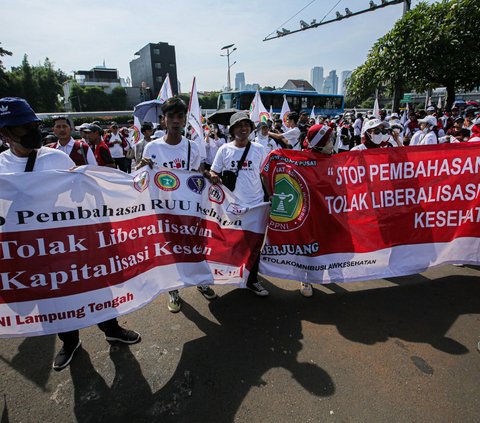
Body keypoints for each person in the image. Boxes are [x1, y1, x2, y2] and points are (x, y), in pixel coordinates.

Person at [0, 97, 141, 372]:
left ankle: (111, 328)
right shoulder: (0, 167)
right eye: (22, 128)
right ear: (4, 134)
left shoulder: (57, 157)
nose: (32, 131)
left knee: (95, 287)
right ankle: (69, 341)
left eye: (34, 124)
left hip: (69, 243)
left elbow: (82, 199)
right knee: (52, 299)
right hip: (31, 251)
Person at [136, 97, 217, 313]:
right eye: (170, 116)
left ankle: (201, 281)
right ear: (163, 120)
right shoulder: (152, 147)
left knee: (194, 245)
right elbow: (141, 179)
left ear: (184, 121)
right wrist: (139, 167)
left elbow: (198, 175)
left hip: (189, 210)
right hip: (163, 210)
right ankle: (173, 289)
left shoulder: (192, 147)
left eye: (179, 116)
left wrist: (209, 175)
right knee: (170, 250)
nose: (175, 120)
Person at [209, 111, 269, 297]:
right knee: (231, 240)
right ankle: (231, 272)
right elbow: (213, 172)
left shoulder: (259, 149)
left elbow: (264, 174)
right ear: (232, 129)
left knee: (255, 244)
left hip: (256, 206)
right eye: (239, 125)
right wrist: (213, 177)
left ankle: (252, 280)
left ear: (250, 129)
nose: (243, 128)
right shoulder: (224, 150)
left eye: (246, 125)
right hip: (232, 206)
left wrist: (271, 198)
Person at [297, 123, 335, 297]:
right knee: (308, 245)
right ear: (320, 142)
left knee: (325, 242)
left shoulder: (334, 160)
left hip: (327, 211)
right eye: (330, 139)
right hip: (308, 213)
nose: (333, 142)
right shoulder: (301, 161)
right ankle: (306, 278)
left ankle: (318, 274)